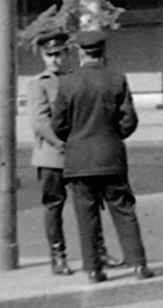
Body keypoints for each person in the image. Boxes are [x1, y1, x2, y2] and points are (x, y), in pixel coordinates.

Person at [52, 30, 150, 284]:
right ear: (103, 52)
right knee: (124, 210)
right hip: (111, 156)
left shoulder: (67, 82)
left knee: (86, 215)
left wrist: (75, 138)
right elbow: (129, 119)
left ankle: (94, 270)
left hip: (79, 160)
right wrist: (112, 136)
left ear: (81, 52)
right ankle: (138, 265)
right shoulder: (116, 79)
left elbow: (58, 124)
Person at [31, 31, 112, 275]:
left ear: (67, 53)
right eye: (49, 55)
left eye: (59, 54)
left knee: (90, 204)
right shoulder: (38, 84)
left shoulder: (75, 79)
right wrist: (62, 144)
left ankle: (98, 252)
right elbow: (39, 122)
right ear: (43, 57)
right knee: (54, 206)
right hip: (52, 156)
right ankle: (58, 256)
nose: (55, 60)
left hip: (80, 156)